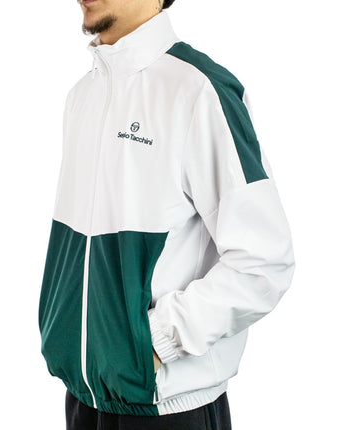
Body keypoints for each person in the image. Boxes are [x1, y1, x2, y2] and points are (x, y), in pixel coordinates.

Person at [37, 0, 296, 429]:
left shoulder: (199, 90)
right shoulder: (82, 95)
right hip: (84, 397)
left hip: (167, 407)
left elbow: (265, 260)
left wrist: (155, 342)